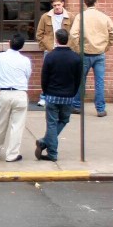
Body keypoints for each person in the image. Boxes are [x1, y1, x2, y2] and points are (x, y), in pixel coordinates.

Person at [35, 29, 82, 161]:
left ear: (56, 39)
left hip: (52, 95)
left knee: (51, 123)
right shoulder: (76, 58)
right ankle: (47, 146)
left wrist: (45, 91)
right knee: (64, 120)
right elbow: (79, 79)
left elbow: (44, 77)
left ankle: (49, 148)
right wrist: (73, 92)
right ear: (68, 40)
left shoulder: (50, 56)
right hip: (68, 96)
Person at [0, 33, 31, 162]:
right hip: (20, 93)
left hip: (4, 93)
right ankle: (12, 154)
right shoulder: (25, 60)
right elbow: (27, 75)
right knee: (17, 125)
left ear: (9, 42)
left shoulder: (0, 57)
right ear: (22, 46)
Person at [70, 0, 113, 117]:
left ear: (85, 3)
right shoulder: (104, 17)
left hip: (85, 53)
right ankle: (100, 109)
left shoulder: (80, 17)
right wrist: (107, 46)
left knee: (81, 81)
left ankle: (76, 106)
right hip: (100, 53)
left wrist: (77, 48)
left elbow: (74, 34)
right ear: (96, 2)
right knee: (99, 82)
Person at [35, 0, 75, 107]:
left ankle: (66, 98)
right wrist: (45, 47)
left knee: (66, 73)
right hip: (50, 50)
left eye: (58, 5)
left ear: (63, 4)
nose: (57, 7)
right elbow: (39, 34)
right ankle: (43, 97)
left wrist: (70, 47)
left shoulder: (70, 17)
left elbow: (75, 34)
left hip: (65, 50)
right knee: (47, 74)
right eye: (54, 5)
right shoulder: (45, 17)